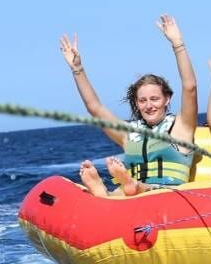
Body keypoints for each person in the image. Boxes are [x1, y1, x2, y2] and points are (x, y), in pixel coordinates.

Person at [59, 15, 198, 196]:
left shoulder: (181, 128)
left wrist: (178, 44)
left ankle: (128, 186)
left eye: (154, 99)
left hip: (168, 195)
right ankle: (106, 190)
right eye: (142, 100)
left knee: (134, 189)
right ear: (137, 104)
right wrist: (77, 69)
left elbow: (190, 87)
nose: (149, 105)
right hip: (130, 200)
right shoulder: (129, 133)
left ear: (167, 99)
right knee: (106, 195)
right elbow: (95, 108)